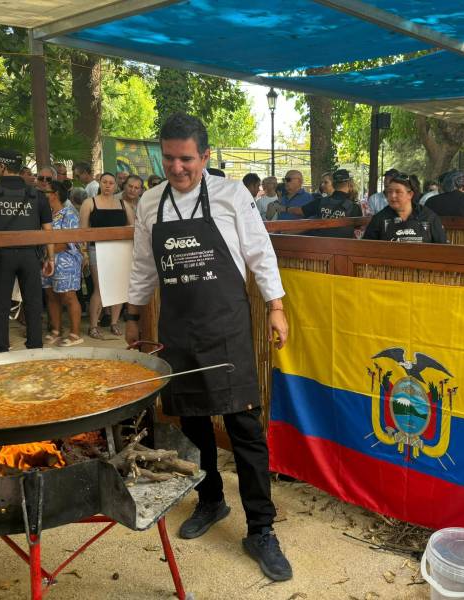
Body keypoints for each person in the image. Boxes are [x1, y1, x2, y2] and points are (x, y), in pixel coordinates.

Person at [125, 112, 292, 581]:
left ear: (205, 156)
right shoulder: (151, 203)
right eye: (169, 158)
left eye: (186, 159)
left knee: (244, 426)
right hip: (178, 327)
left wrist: (276, 307)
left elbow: (260, 251)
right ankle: (212, 498)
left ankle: (261, 528)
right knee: (193, 417)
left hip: (226, 327)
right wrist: (134, 314)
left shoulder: (232, 194)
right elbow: (143, 265)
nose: (177, 168)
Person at [0, 149, 55, 353]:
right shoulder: (37, 195)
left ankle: (1, 348)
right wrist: (50, 257)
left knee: (0, 304)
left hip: (1, 256)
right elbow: (48, 230)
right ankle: (35, 347)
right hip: (30, 255)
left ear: (2, 167)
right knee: (33, 303)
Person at [79, 172, 134, 339]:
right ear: (100, 183)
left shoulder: (124, 204)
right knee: (100, 288)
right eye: (105, 182)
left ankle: (114, 322)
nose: (108, 185)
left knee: (118, 287)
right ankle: (93, 325)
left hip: (120, 250)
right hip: (97, 249)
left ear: (116, 185)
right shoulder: (89, 203)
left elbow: (132, 227)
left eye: (111, 182)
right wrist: (85, 254)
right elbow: (83, 231)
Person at [41, 180, 83, 347]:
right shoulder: (46, 214)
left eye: (45, 192)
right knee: (51, 296)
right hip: (47, 261)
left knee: (69, 296)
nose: (42, 196)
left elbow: (68, 241)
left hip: (66, 260)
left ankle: (75, 333)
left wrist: (46, 253)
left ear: (55, 194)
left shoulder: (69, 214)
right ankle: (56, 330)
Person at [363, 172, 446, 243]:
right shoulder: (379, 219)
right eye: (389, 192)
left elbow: (442, 249)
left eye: (398, 192)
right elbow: (366, 248)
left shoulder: (429, 217)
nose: (392, 196)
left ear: (410, 194)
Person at [285, 169, 362, 237]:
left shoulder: (320, 202)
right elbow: (358, 227)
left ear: (333, 184)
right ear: (349, 184)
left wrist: (285, 208)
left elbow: (301, 211)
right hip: (342, 249)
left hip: (318, 247)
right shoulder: (355, 207)